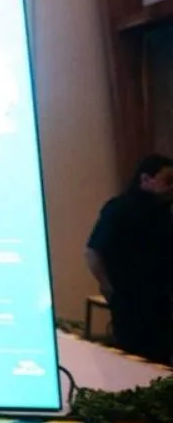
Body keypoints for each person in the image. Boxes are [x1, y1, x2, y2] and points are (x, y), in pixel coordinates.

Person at [85, 154, 173, 364]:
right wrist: (108, 287)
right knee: (134, 360)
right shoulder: (119, 209)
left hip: (162, 301)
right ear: (145, 179)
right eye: (168, 181)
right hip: (131, 301)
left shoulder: (164, 213)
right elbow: (93, 251)